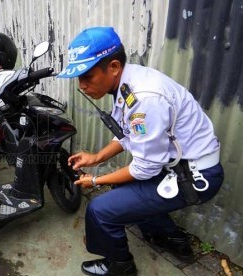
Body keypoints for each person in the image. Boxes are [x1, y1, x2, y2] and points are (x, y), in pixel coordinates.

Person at [58, 27, 224, 276]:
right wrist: (97, 158)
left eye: (87, 76)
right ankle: (173, 241)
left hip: (196, 176)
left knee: (100, 210)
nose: (82, 86)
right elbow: (128, 134)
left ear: (113, 67)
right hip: (181, 167)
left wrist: (95, 180)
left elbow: (145, 168)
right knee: (123, 190)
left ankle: (120, 266)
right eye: (78, 78)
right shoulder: (129, 83)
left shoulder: (144, 97)